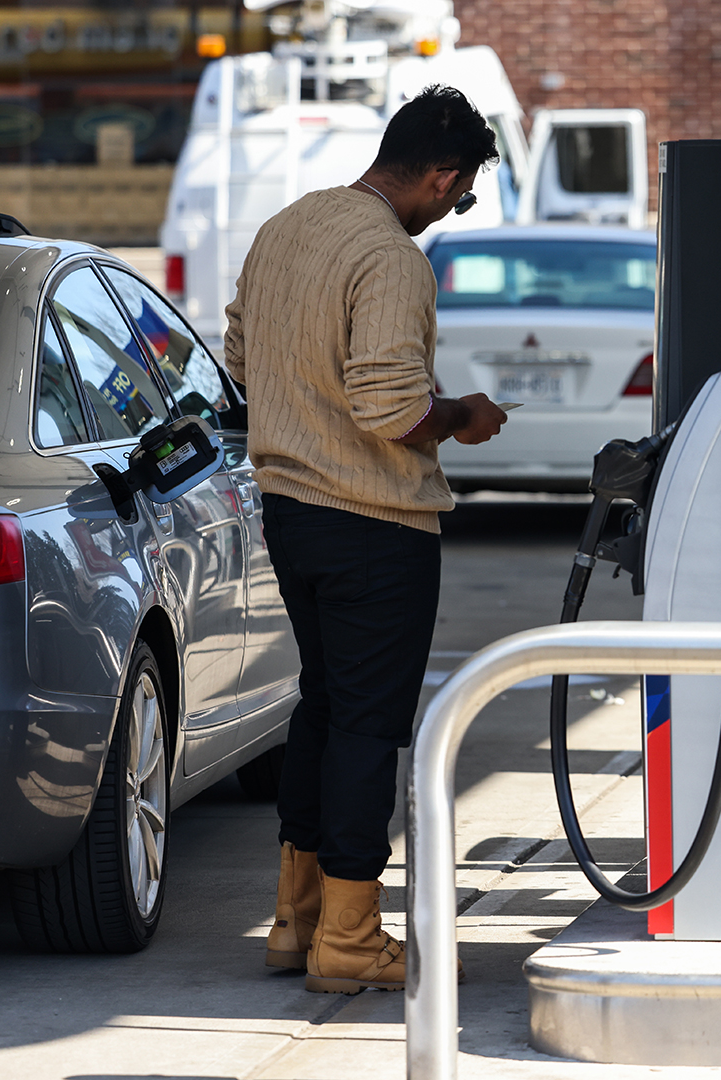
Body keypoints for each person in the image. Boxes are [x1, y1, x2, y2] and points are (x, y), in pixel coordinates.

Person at [222, 85, 507, 993]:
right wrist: (461, 414)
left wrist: (304, 415)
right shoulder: (389, 258)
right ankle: (349, 938)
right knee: (366, 727)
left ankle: (294, 919)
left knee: (323, 707)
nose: (447, 213)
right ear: (440, 174)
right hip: (372, 521)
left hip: (291, 510)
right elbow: (392, 406)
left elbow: (239, 354)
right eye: (457, 199)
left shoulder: (288, 228)